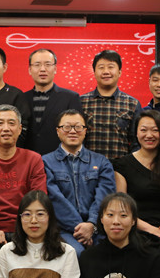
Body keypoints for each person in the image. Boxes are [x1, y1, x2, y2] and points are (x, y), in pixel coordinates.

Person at [0, 105, 47, 259]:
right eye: (0, 123)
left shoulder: (33, 159)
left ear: (19, 129)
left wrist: (27, 229)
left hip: (27, 228)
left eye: (11, 123)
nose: (6, 128)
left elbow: (38, 199)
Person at [43, 108, 116, 256]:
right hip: (62, 229)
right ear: (58, 131)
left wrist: (91, 225)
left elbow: (105, 197)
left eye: (78, 127)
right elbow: (55, 199)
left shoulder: (101, 162)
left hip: (98, 227)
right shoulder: (45, 162)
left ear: (85, 131)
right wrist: (80, 228)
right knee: (77, 253)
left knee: (111, 251)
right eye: (66, 127)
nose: (72, 131)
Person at [114, 110, 160, 246]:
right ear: (136, 133)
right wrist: (152, 230)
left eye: (155, 130)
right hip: (135, 230)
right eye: (143, 130)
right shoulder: (122, 165)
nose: (149, 135)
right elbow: (122, 209)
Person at [81, 49, 142, 160]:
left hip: (120, 167)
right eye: (101, 67)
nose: (106, 71)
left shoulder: (132, 104)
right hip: (88, 167)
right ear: (94, 72)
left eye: (110, 67)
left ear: (119, 72)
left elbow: (136, 142)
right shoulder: (81, 102)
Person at [22, 48, 82, 155]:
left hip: (60, 160)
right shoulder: (22, 98)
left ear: (55, 69)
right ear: (30, 70)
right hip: (28, 160)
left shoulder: (71, 98)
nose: (42, 69)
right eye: (37, 65)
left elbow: (78, 134)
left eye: (48, 64)